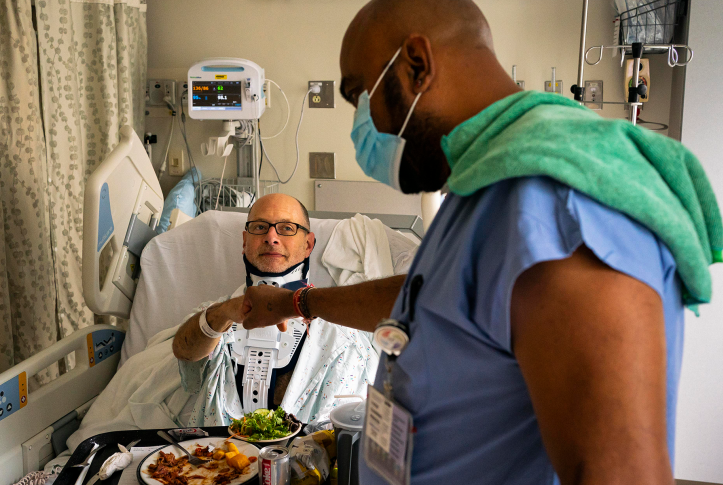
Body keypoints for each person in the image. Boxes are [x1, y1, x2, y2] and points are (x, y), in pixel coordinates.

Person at [239, 0, 723, 484]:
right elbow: (442, 300)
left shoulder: (561, 205)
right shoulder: (490, 188)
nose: (359, 129)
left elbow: (618, 472)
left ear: (417, 66)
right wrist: (294, 302)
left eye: (357, 97)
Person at [172, 193, 379, 424]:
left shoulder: (342, 333)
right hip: (219, 454)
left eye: (287, 228)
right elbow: (184, 352)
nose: (271, 237)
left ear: (308, 244)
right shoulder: (215, 315)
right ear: (244, 241)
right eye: (260, 227)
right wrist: (224, 313)